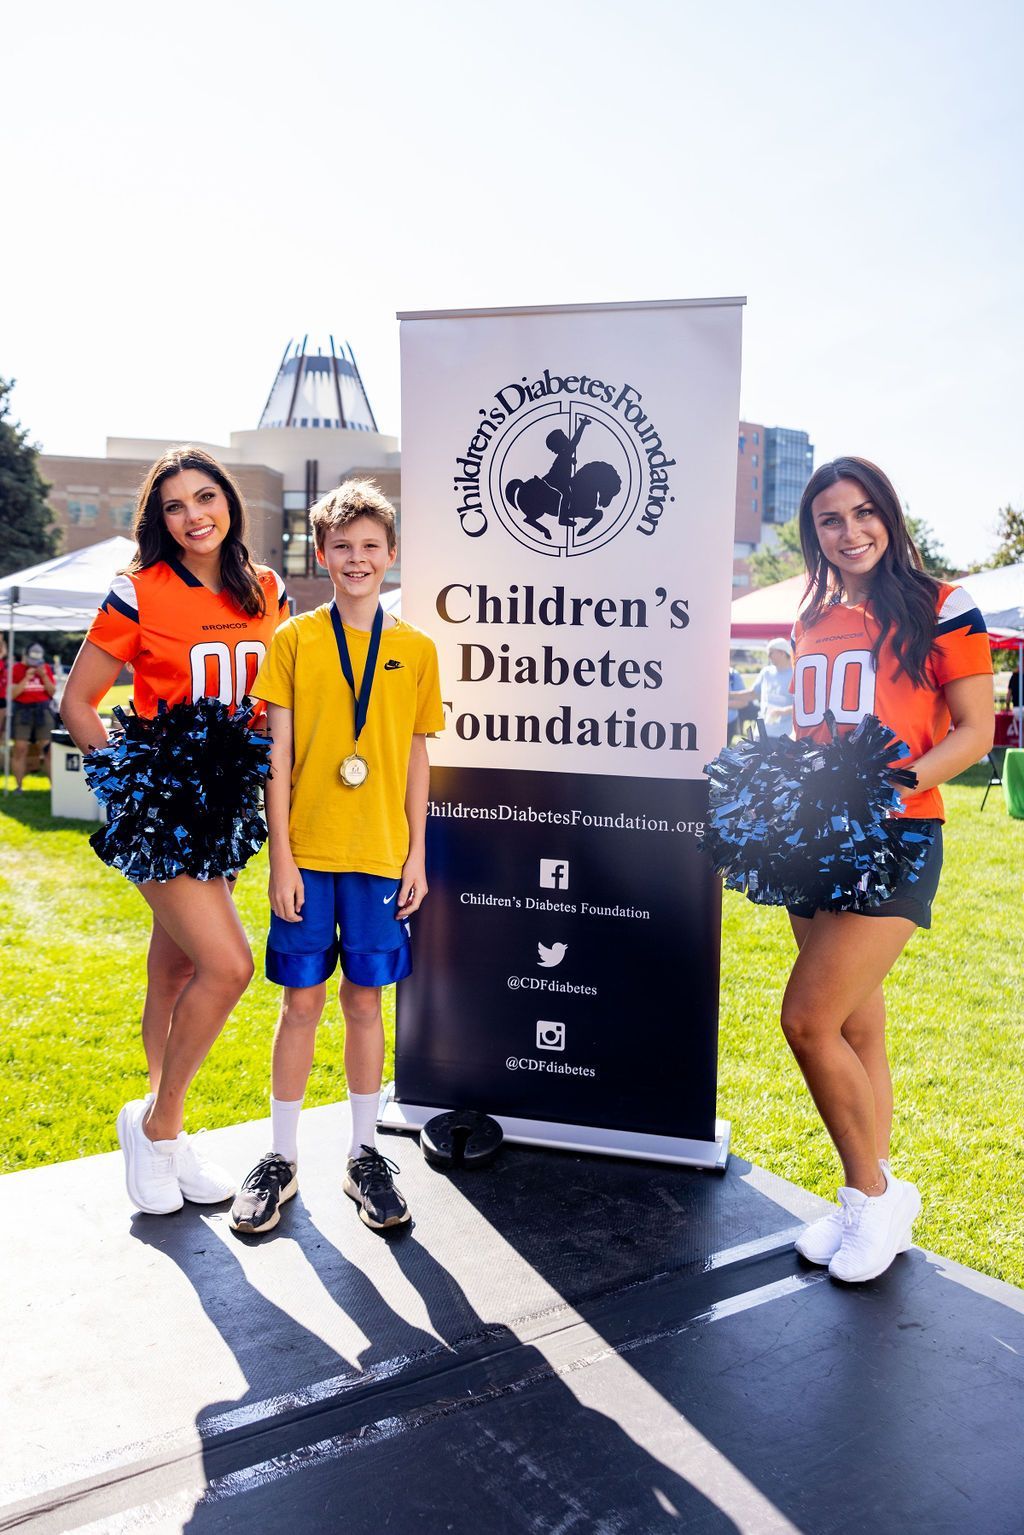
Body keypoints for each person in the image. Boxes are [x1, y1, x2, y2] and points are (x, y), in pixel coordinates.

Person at [60, 446, 288, 1215]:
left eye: (205, 496)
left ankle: (165, 1133)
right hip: (163, 807)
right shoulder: (139, 591)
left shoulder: (267, 590)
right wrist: (130, 788)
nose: (194, 516)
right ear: (160, 522)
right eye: (175, 506)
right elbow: (79, 703)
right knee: (228, 966)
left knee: (178, 971)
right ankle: (159, 1122)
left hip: (224, 804)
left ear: (230, 499)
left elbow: (269, 708)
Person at [782, 457, 993, 1283]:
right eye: (831, 519)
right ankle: (872, 1197)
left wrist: (891, 785)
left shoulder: (943, 604)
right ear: (815, 533)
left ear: (890, 516)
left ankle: (873, 1195)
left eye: (865, 512)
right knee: (855, 1027)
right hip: (810, 840)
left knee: (806, 1021)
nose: (851, 530)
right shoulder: (812, 616)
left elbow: (974, 731)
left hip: (896, 837)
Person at [230, 479, 444, 1236]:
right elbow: (278, 756)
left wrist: (417, 852)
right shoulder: (293, 640)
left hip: (382, 855)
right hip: (309, 851)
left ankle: (362, 1155)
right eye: (342, 547)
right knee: (301, 1003)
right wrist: (281, 858)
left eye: (370, 547)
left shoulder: (415, 649)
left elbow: (417, 759)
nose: (356, 559)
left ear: (391, 555)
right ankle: (282, 1158)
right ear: (322, 554)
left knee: (364, 1001)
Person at [11, 641, 57, 789]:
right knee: (20, 748)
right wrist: (26, 678)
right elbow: (12, 694)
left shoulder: (45, 668)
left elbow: (52, 692)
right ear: (25, 655)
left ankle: (54, 787)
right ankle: (19, 786)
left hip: (43, 710)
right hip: (22, 710)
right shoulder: (17, 668)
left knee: (47, 748)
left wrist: (44, 676)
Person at [729, 638, 795, 738]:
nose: (768, 656)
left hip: (785, 735)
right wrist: (728, 695)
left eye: (771, 653)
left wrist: (781, 711)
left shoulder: (795, 675)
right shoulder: (766, 672)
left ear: (782, 653)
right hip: (761, 733)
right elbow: (752, 694)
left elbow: (801, 706)